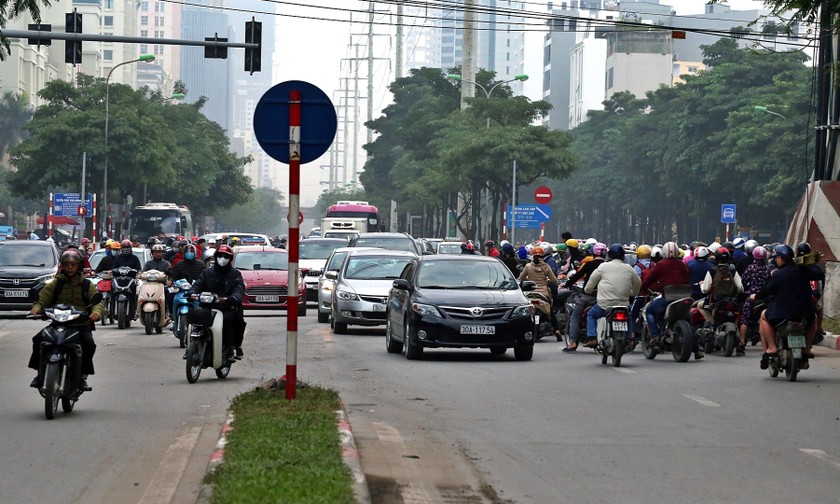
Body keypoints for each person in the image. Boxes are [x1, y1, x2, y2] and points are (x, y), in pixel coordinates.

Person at [28, 248, 104, 391]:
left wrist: (96, 313)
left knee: (89, 344)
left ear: (79, 266)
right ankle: (39, 374)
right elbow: (43, 298)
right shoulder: (56, 283)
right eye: (67, 264)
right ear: (62, 265)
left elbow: (97, 302)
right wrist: (37, 308)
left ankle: (82, 376)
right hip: (58, 322)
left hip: (80, 324)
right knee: (38, 339)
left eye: (73, 264)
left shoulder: (87, 284)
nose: (70, 267)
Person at [751, 244, 824, 369]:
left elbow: (767, 290)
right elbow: (820, 274)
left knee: (763, 317)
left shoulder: (778, 274)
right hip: (804, 314)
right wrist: (806, 266)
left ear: (780, 258)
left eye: (777, 258)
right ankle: (806, 349)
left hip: (781, 315)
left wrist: (755, 297)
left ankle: (772, 347)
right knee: (814, 318)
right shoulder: (803, 271)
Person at [187, 245, 246, 357]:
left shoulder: (235, 274)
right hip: (208, 306)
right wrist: (191, 292)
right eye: (219, 256)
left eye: (225, 256)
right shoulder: (207, 273)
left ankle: (230, 348)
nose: (222, 259)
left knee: (229, 320)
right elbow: (198, 284)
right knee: (195, 316)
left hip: (227, 307)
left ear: (230, 259)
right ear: (215, 257)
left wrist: (234, 297)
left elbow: (239, 288)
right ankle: (191, 346)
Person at [584, 244, 641, 346]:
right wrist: (633, 293)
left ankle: (592, 338)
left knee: (591, 315)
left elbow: (591, 283)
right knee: (629, 317)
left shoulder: (603, 267)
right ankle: (630, 338)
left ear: (609, 256)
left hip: (604, 304)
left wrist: (588, 290)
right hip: (623, 303)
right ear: (623, 256)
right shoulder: (629, 268)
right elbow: (637, 283)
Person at [640, 242, 691, 353]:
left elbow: (650, 279)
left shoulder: (661, 265)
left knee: (649, 311)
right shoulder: (683, 264)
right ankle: (696, 349)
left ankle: (655, 336)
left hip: (668, 297)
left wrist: (642, 288)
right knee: (688, 319)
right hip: (685, 297)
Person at [562, 242, 607, 351]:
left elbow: (578, 276)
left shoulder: (589, 265)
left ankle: (572, 342)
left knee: (575, 317)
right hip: (607, 298)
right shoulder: (608, 266)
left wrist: (566, 284)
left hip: (589, 297)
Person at [737, 245, 771, 356]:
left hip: (751, 297)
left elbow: (743, 280)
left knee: (744, 320)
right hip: (766, 298)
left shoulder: (751, 268)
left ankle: (742, 343)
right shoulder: (769, 269)